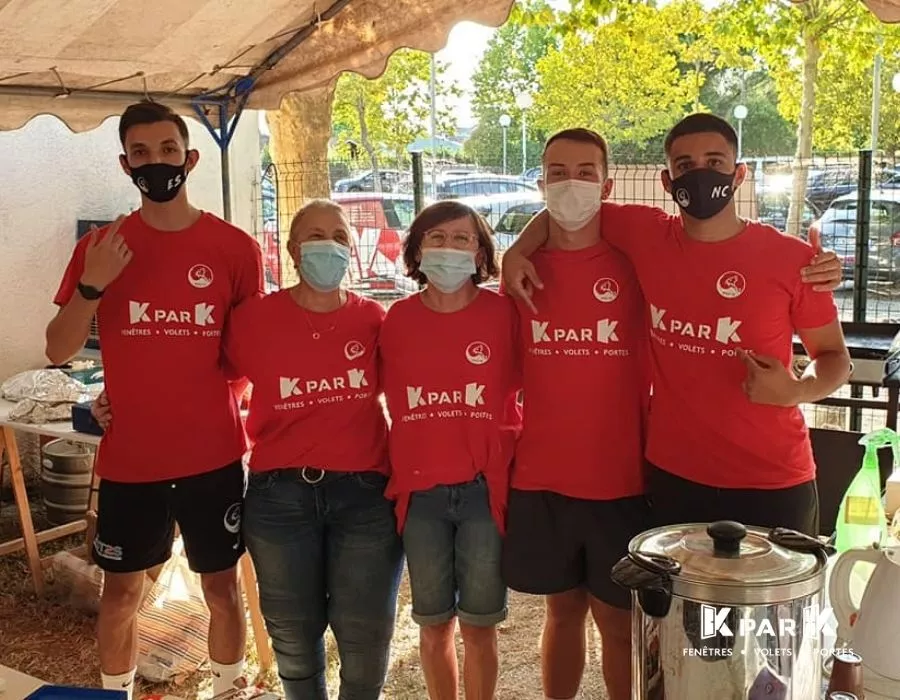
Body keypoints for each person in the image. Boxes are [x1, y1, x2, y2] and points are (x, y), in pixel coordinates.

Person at [503, 113, 850, 536]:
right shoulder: (645, 234)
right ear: (667, 181)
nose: (701, 174)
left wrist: (797, 390)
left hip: (773, 479)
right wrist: (516, 251)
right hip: (674, 477)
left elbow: (834, 358)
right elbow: (566, 209)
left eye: (715, 162)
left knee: (769, 604)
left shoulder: (793, 260)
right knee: (674, 604)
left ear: (739, 174)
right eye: (685, 166)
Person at [46, 101, 263, 698]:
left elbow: (245, 359)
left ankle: (227, 687)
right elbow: (59, 349)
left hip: (212, 458)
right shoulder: (102, 248)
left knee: (222, 588)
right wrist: (93, 285)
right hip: (131, 462)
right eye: (141, 153)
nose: (156, 162)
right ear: (125, 164)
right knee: (121, 594)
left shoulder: (235, 250)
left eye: (167, 150)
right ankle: (114, 691)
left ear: (189, 158)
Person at [225, 200, 404, 700]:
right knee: (294, 639)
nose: (329, 245)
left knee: (366, 635)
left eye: (340, 237)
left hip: (365, 498)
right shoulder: (253, 319)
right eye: (315, 235)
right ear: (292, 249)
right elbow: (208, 378)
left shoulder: (374, 319)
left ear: (352, 249)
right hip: (279, 498)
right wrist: (116, 402)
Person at [498, 128, 652, 700]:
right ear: (541, 182)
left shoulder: (636, 261)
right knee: (561, 613)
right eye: (557, 172)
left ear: (607, 184)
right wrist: (517, 248)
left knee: (617, 621)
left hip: (621, 479)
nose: (571, 184)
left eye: (585, 172)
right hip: (543, 477)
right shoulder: (520, 273)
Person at [379, 201, 521, 700]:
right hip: (420, 494)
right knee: (433, 624)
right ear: (416, 249)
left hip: (484, 491)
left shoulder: (506, 316)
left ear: (481, 254)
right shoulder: (393, 321)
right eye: (436, 238)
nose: (448, 249)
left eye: (462, 239)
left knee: (480, 627)